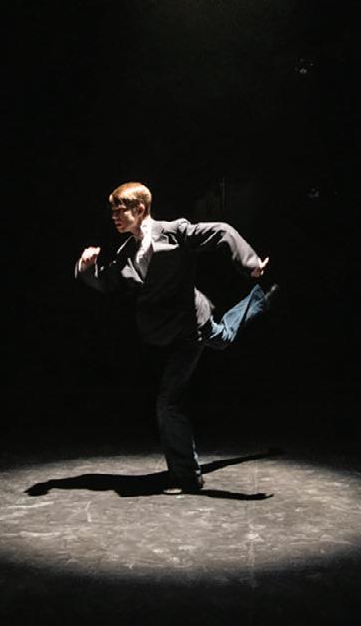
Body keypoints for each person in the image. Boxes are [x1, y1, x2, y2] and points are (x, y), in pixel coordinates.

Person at [75, 181, 277, 494]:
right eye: (112, 211)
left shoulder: (174, 232)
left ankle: (187, 476)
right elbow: (107, 282)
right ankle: (262, 298)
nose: (114, 216)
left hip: (189, 325)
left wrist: (250, 263)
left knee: (168, 404)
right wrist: (87, 268)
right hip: (166, 330)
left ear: (140, 209)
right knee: (222, 338)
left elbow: (222, 231)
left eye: (120, 210)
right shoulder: (127, 251)